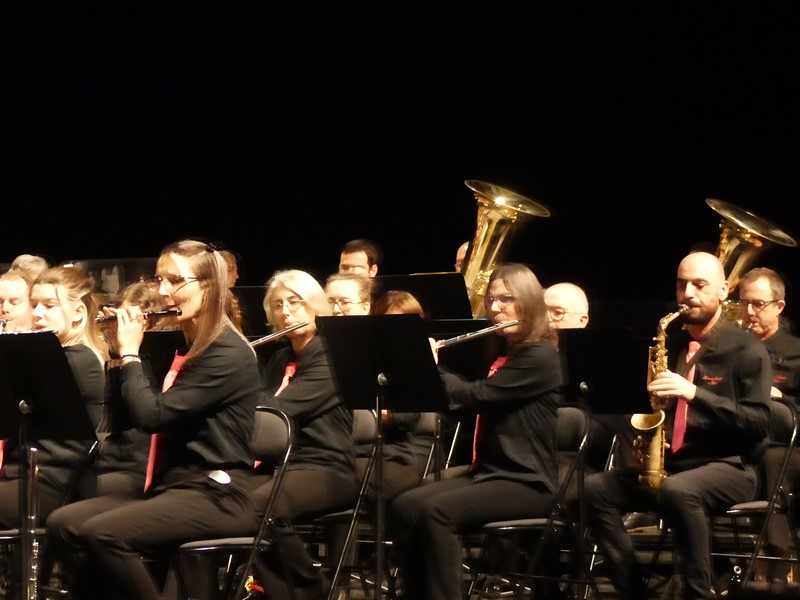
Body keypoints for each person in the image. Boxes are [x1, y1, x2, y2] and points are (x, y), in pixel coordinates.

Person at [46, 239, 261, 600]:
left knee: (105, 533)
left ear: (210, 287)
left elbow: (153, 416)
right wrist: (118, 354)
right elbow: (123, 420)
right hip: (172, 486)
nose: (163, 292)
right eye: (160, 280)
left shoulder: (228, 352)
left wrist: (132, 354)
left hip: (217, 492)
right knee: (63, 524)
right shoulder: (179, 347)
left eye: (175, 281)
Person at [584, 251, 773, 600]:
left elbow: (760, 423)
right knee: (597, 489)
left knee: (678, 491)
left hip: (731, 466)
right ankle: (633, 591)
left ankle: (699, 593)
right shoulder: (670, 343)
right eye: (681, 284)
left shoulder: (747, 350)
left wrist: (695, 394)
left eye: (699, 285)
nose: (688, 294)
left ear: (723, 291)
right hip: (674, 465)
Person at [389, 262, 563, 600]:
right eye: (491, 299)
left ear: (528, 302)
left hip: (527, 481)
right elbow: (466, 405)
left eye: (506, 299)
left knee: (437, 512)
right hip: (489, 473)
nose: (495, 308)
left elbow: (475, 397)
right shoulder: (505, 353)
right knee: (405, 507)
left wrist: (432, 367)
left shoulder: (541, 355)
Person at [252, 269, 359, 600]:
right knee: (218, 496)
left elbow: (276, 411)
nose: (286, 312)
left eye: (295, 302)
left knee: (261, 507)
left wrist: (236, 374)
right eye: (278, 305)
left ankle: (313, 591)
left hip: (326, 466)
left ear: (315, 304)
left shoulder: (333, 357)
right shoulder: (281, 358)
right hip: (279, 466)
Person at [0, 265, 107, 529]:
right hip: (20, 477)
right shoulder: (45, 356)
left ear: (78, 313)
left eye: (49, 306)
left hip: (53, 482)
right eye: (34, 304)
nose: (37, 313)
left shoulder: (80, 358)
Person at [738, 266, 800, 585]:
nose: (749, 312)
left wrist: (782, 399)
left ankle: (777, 563)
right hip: (741, 442)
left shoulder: (797, 353)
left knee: (773, 458)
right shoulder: (733, 349)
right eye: (743, 303)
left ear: (779, 307)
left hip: (787, 449)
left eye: (758, 304)